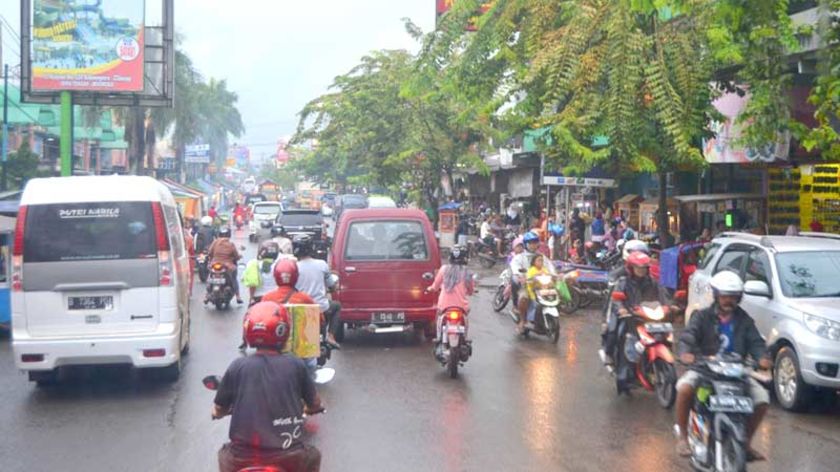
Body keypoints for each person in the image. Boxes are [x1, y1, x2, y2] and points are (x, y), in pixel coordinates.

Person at [214, 302, 324, 472]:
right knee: (313, 455)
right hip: (289, 455)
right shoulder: (296, 365)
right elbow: (315, 403)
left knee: (223, 455)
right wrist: (311, 408)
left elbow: (219, 408)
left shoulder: (237, 366)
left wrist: (217, 413)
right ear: (283, 331)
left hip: (240, 458)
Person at [674, 271, 772, 461]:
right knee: (684, 388)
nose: (729, 300)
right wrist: (686, 353)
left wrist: (763, 358)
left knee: (762, 399)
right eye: (725, 295)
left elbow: (756, 343)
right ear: (717, 295)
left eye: (733, 296)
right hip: (705, 368)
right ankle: (683, 438)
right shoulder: (702, 317)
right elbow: (688, 336)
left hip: (737, 372)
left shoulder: (745, 320)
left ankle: (745, 443)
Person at [600, 251, 668, 367]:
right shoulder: (623, 282)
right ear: (631, 268)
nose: (641, 271)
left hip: (646, 315)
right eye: (638, 268)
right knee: (614, 331)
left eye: (644, 268)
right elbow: (616, 299)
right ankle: (609, 354)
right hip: (627, 315)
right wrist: (622, 309)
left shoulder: (653, 282)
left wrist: (669, 306)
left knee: (663, 332)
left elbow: (663, 297)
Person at [293, 235, 341, 348]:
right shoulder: (322, 264)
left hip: (300, 309)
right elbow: (331, 285)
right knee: (337, 306)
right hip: (322, 308)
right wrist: (333, 288)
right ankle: (331, 336)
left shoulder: (293, 267)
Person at [426, 246, 475, 354]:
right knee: (465, 318)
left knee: (438, 317)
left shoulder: (443, 269)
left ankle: (439, 337)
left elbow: (435, 286)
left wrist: (430, 288)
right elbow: (471, 290)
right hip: (461, 306)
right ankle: (464, 338)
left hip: (444, 305)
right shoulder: (467, 272)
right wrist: (471, 291)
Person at [512, 232, 547, 334]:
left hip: (541, 285)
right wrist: (520, 276)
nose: (533, 245)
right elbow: (516, 269)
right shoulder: (519, 257)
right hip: (527, 285)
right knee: (523, 298)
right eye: (531, 242)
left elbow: (550, 267)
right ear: (526, 244)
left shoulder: (542, 256)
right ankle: (523, 321)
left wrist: (557, 275)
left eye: (535, 242)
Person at [207, 227, 244, 305]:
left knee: (210, 276)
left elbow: (210, 252)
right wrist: (238, 257)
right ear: (229, 235)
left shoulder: (215, 242)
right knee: (234, 278)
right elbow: (236, 256)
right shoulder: (231, 244)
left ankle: (206, 295)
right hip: (227, 265)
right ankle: (238, 296)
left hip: (214, 264)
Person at [521, 254, 552, 330]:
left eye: (542, 260)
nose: (541, 262)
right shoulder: (531, 270)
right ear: (534, 262)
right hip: (533, 291)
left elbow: (549, 277)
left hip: (543, 291)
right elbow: (528, 279)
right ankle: (530, 321)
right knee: (534, 305)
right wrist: (534, 277)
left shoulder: (544, 269)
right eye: (539, 260)